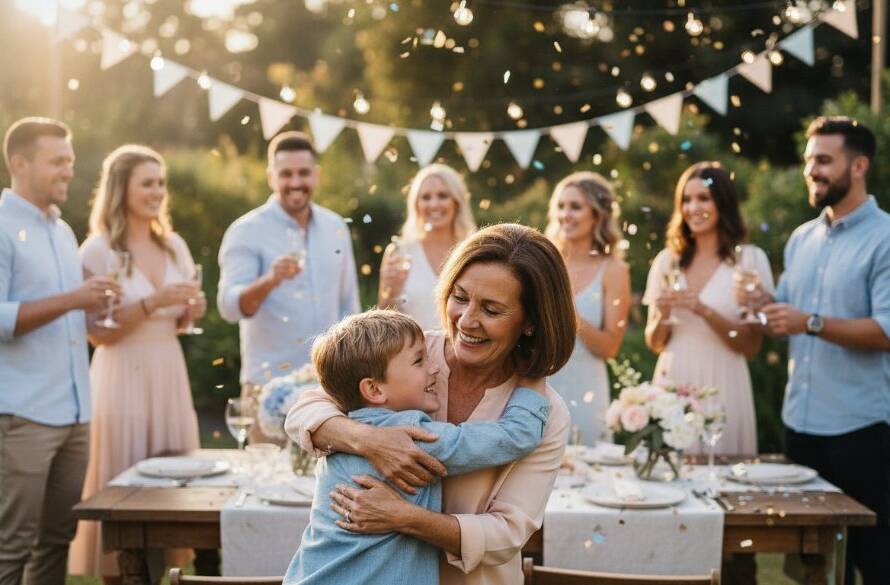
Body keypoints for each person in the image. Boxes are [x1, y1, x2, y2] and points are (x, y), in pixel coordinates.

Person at [286, 223, 575, 585]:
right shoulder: (410, 354)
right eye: (460, 297)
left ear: (531, 322)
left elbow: (506, 534)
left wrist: (402, 516)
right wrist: (369, 441)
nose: (467, 320)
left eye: (491, 309)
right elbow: (305, 408)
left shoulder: (543, 410)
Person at [285, 309, 550, 585]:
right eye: (419, 361)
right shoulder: (412, 437)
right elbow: (516, 436)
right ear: (374, 390)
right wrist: (534, 377)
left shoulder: (337, 427)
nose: (434, 367)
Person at [745, 117, 890, 584]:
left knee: (875, 560)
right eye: (809, 160)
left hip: (862, 429)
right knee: (812, 566)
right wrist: (762, 306)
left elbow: (887, 330)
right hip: (800, 429)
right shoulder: (801, 238)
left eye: (824, 160)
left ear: (860, 164)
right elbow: (786, 319)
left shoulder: (885, 238)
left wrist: (809, 322)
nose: (813, 170)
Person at [68, 145, 205, 581]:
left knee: (173, 490)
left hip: (168, 371)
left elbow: (179, 324)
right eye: (147, 183)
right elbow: (96, 332)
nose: (157, 192)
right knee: (123, 489)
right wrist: (152, 302)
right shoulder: (97, 250)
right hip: (120, 375)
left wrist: (190, 311)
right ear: (120, 188)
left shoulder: (174, 245)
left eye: (161, 183)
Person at [0, 117, 119, 585]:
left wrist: (97, 306)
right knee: (11, 545)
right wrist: (75, 298)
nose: (69, 171)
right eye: (58, 161)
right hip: (24, 415)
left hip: (74, 413)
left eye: (70, 160)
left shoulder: (64, 232)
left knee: (56, 539)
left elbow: (66, 319)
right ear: (19, 163)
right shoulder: (3, 227)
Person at [218, 131, 360, 440]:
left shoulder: (336, 227)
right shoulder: (246, 231)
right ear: (271, 177)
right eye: (286, 174)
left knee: (327, 484)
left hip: (330, 386)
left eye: (303, 173)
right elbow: (229, 307)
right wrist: (270, 280)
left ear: (317, 175)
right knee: (268, 481)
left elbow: (350, 306)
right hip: (267, 386)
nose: (296, 182)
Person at [643, 162, 772, 458]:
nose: (693, 207)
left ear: (723, 203)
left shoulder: (749, 261)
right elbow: (655, 342)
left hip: (724, 380)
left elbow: (751, 346)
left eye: (704, 198)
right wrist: (663, 315)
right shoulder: (667, 262)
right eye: (686, 200)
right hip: (673, 379)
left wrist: (703, 310)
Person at [544, 172, 630, 445]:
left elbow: (610, 347)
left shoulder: (613, 270)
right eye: (561, 206)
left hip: (587, 390)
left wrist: (569, 314)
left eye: (575, 206)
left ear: (598, 214)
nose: (565, 214)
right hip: (540, 387)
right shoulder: (544, 261)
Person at [378, 164, 476, 330]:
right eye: (426, 197)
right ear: (416, 205)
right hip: (415, 354)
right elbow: (381, 322)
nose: (434, 204)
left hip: (466, 354)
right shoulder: (399, 253)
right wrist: (390, 293)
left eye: (443, 195)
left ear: (457, 202)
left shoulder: (474, 250)